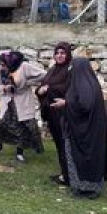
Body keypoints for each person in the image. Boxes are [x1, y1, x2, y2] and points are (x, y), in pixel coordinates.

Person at [50, 57, 107, 199]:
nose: (70, 70)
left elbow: (85, 106)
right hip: (84, 130)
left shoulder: (85, 86)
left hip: (84, 131)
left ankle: (86, 188)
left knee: (82, 158)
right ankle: (82, 187)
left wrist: (66, 104)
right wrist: (67, 102)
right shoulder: (87, 84)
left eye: (72, 67)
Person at [0, 50, 45, 163]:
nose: (1, 67)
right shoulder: (3, 71)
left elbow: (44, 75)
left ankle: (20, 153)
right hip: (8, 102)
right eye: (0, 64)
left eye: (3, 64)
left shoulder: (24, 67)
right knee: (2, 124)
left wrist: (28, 83)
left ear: (10, 62)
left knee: (22, 127)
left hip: (22, 102)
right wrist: (5, 88)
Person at [37, 42, 73, 186]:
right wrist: (39, 91)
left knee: (66, 144)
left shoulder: (71, 70)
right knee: (59, 144)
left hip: (65, 114)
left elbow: (69, 89)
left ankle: (70, 176)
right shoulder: (53, 69)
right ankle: (64, 174)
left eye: (62, 53)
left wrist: (49, 89)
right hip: (52, 113)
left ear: (68, 54)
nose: (59, 56)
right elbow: (43, 85)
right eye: (57, 53)